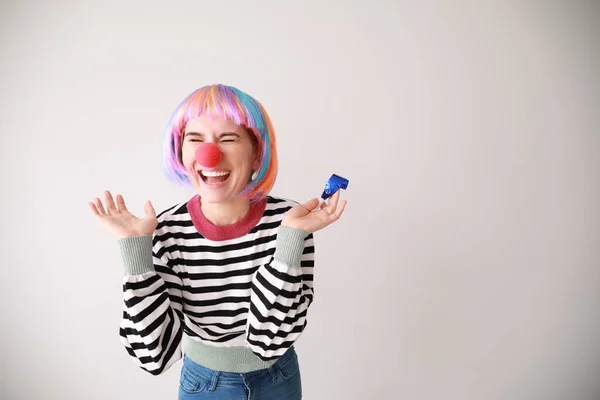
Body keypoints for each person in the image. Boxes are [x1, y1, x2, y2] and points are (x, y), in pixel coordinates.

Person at [89, 84, 347, 399]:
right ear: (181, 153)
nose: (209, 154)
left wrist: (290, 242)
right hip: (204, 385)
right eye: (195, 139)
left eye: (228, 138)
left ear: (256, 154)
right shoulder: (165, 230)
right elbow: (152, 356)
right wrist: (136, 255)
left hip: (279, 377)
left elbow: (271, 341)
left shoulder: (291, 221)